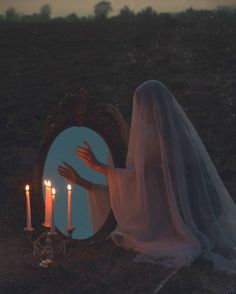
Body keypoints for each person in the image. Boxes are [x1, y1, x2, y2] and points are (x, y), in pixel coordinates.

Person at [58, 80, 236, 273]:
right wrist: (119, 119)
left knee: (139, 201)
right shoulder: (169, 131)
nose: (140, 114)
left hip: (177, 208)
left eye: (142, 108)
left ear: (151, 108)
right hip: (187, 202)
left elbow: (138, 176)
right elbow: (140, 155)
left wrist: (97, 166)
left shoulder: (164, 141)